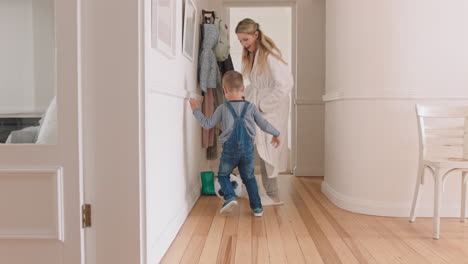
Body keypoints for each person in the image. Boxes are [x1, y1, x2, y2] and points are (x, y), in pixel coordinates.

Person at [189, 70, 281, 216]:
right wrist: (276, 133)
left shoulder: (222, 108)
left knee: (223, 176)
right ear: (243, 88)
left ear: (224, 90)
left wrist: (195, 110)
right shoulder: (251, 107)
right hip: (247, 151)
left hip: (229, 152)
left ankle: (230, 196)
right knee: (249, 178)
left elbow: (207, 124)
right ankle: (257, 208)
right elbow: (263, 123)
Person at [235, 18, 294, 204]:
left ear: (256, 35)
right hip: (257, 107)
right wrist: (246, 96)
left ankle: (272, 195)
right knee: (252, 147)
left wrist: (263, 105)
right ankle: (251, 187)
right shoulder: (254, 56)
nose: (243, 44)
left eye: (246, 39)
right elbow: (257, 85)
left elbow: (285, 85)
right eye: (240, 41)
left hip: (270, 110)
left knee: (267, 152)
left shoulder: (269, 55)